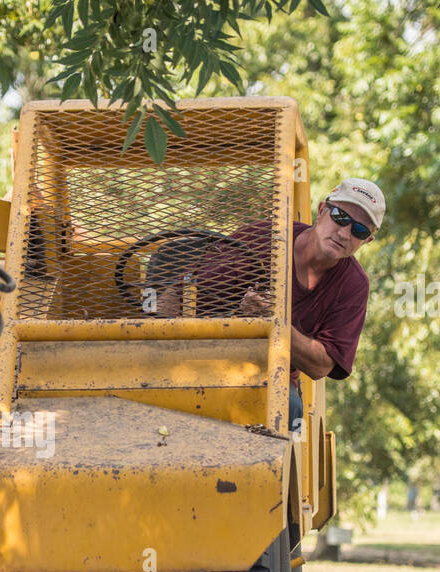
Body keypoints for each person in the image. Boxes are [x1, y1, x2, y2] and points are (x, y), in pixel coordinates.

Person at [152, 178, 385, 431]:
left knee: (291, 410)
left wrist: (275, 324)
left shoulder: (354, 285)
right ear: (321, 211)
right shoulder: (266, 238)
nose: (344, 233)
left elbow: (322, 365)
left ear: (367, 241)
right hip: (203, 355)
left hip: (272, 377)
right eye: (340, 217)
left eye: (360, 230)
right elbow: (177, 293)